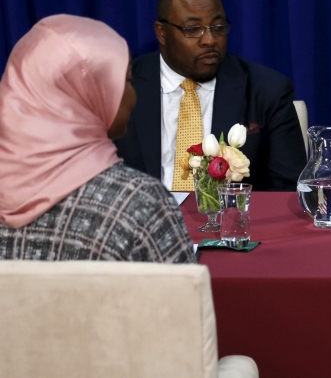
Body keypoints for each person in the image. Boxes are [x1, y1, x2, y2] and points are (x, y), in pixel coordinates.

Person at [0, 15, 194, 263]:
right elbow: (184, 298)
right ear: (86, 93)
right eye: (126, 80)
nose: (133, 95)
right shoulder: (139, 203)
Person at [114, 0, 307, 191]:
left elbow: (287, 190)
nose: (209, 40)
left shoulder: (266, 90)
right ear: (162, 32)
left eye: (218, 27)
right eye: (193, 29)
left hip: (232, 221)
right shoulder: (119, 87)